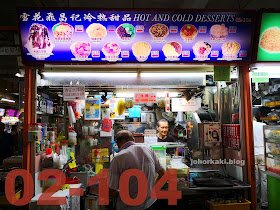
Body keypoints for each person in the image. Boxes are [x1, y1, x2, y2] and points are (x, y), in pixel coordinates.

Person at [109, 130, 165, 210]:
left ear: (117, 143)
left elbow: (112, 192)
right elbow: (163, 173)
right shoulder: (148, 148)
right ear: (133, 140)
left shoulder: (118, 158)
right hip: (149, 204)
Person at [253, 118, 268, 209]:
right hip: (263, 153)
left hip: (253, 153)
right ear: (255, 118)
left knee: (255, 178)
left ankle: (255, 199)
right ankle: (264, 203)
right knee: (264, 179)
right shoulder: (263, 125)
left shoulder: (248, 126)